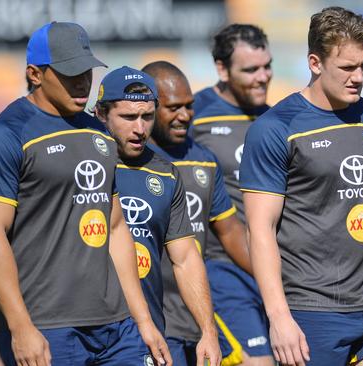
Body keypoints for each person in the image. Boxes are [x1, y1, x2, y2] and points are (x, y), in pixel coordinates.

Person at [240, 7, 363, 366]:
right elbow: (260, 229)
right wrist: (278, 317)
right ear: (315, 63)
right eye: (347, 67)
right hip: (311, 310)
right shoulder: (276, 128)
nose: (358, 77)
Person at [0, 22, 170, 366]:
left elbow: (117, 228)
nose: (82, 82)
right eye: (69, 72)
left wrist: (144, 321)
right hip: (46, 326)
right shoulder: (8, 134)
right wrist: (21, 327)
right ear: (35, 74)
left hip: (116, 328)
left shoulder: (99, 134)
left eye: (86, 71)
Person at [94, 66, 223, 366]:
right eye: (128, 118)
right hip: (78, 328)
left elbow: (186, 258)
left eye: (147, 116)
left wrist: (208, 331)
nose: (140, 128)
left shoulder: (165, 174)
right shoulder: (79, 165)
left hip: (142, 333)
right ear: (101, 114)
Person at [142, 61, 252, 366]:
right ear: (149, 106)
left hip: (196, 313)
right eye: (174, 107)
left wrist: (277, 282)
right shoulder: (131, 162)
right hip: (152, 318)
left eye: (190, 106)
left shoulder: (203, 160)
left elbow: (230, 232)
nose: (185, 116)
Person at [191, 23, 274, 365]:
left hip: (276, 270)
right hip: (224, 272)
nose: (262, 77)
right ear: (222, 69)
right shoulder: (191, 117)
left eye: (267, 66)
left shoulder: (276, 120)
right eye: (250, 69)